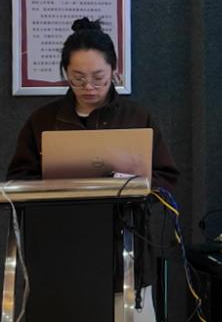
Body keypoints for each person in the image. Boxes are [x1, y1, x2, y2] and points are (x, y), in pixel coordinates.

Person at [6, 17, 179, 321]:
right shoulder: (42, 121)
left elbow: (166, 179)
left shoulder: (138, 118)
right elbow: (18, 182)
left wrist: (135, 185)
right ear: (65, 73)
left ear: (114, 70)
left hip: (125, 252)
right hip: (61, 249)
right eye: (78, 78)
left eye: (99, 77)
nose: (89, 87)